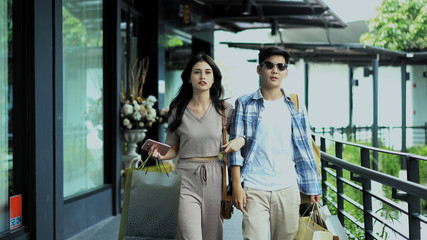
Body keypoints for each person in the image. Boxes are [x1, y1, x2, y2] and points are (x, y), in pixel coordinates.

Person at [149, 54, 245, 240]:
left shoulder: (226, 110)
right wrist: (160, 154)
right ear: (188, 77)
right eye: (197, 72)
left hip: (216, 178)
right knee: (190, 236)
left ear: (214, 78)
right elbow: (173, 147)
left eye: (208, 72)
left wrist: (240, 140)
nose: (202, 76)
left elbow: (241, 140)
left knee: (212, 236)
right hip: (185, 177)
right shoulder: (177, 110)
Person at [228, 47, 321, 240]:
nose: (275, 70)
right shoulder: (244, 103)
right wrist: (236, 186)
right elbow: (234, 150)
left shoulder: (295, 105)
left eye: (281, 66)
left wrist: (313, 187)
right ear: (259, 69)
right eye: (269, 65)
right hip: (254, 188)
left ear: (286, 72)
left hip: (287, 187)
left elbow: (304, 149)